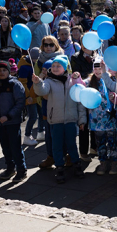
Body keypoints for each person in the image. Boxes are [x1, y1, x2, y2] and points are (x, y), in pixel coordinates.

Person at [32, 54, 86, 183]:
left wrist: (82, 119)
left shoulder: (73, 81)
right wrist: (38, 82)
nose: (55, 68)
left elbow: (80, 101)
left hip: (71, 119)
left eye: (58, 66)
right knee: (57, 145)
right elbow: (42, 91)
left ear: (65, 68)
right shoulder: (49, 81)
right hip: (55, 119)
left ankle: (76, 164)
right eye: (54, 66)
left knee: (71, 144)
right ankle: (59, 167)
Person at [0, 60, 27, 182]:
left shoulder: (14, 84)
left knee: (15, 146)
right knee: (5, 147)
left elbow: (20, 102)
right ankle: (10, 168)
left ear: (9, 71)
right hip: (0, 122)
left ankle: (21, 170)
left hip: (12, 121)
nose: (1, 73)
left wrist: (9, 115)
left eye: (4, 70)